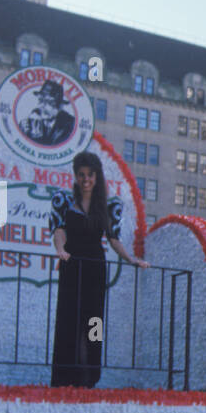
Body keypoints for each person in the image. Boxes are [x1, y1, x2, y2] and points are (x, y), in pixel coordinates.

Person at [49, 151, 148, 387]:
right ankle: (64, 378)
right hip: (72, 266)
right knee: (68, 320)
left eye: (90, 175)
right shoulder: (64, 201)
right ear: (75, 176)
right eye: (81, 175)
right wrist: (61, 251)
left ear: (97, 176)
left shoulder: (107, 205)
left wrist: (131, 259)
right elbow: (59, 231)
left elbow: (113, 239)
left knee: (94, 322)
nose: (86, 179)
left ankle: (89, 376)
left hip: (95, 268)